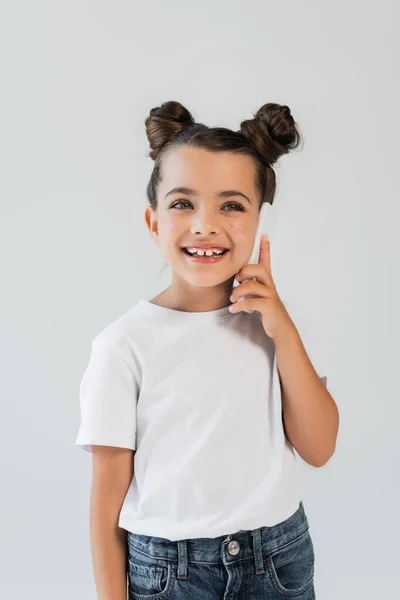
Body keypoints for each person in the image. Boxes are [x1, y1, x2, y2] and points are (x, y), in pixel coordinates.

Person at [75, 100, 339, 600]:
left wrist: (282, 329)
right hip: (172, 573)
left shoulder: (277, 326)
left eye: (232, 205)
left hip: (278, 561)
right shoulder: (123, 345)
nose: (205, 224)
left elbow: (320, 448)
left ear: (261, 221)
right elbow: (105, 500)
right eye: (182, 204)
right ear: (154, 223)